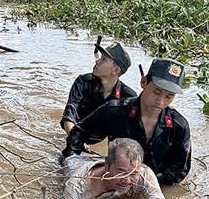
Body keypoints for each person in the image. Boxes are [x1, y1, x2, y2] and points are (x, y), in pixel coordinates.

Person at [62, 58, 191, 185]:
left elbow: (180, 169)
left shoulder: (179, 126)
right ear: (144, 82)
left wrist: (146, 182)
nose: (161, 101)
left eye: (169, 96)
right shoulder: (115, 111)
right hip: (115, 179)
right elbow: (78, 133)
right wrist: (73, 164)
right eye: (157, 92)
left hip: (152, 184)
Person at [60, 39, 136, 144]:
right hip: (73, 134)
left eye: (104, 59)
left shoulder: (128, 97)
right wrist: (76, 140)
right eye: (100, 57)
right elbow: (69, 117)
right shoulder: (83, 82)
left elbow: (128, 135)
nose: (97, 61)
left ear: (116, 70)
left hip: (98, 141)